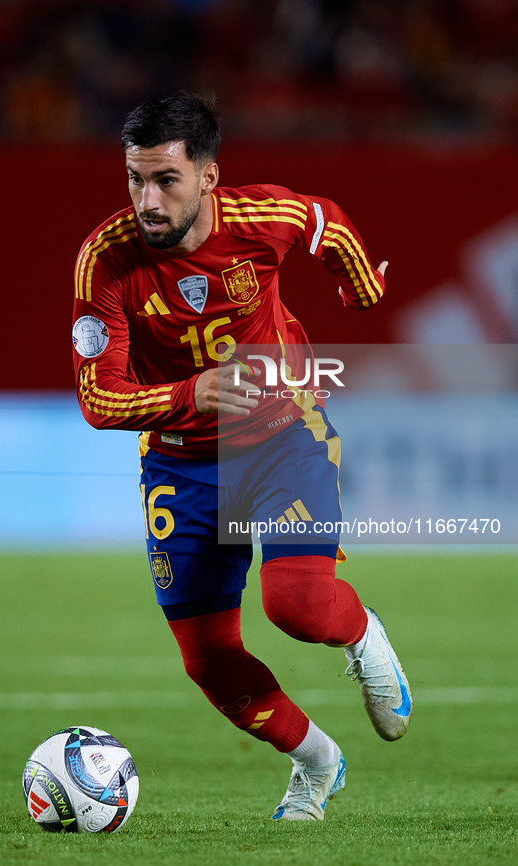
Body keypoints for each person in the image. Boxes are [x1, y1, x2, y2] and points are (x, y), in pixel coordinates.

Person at [72, 91, 412, 821]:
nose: (146, 199)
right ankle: (318, 764)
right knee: (208, 660)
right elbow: (99, 399)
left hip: (281, 435)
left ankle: (360, 630)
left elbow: (324, 220)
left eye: (165, 179)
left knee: (294, 605)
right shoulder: (106, 261)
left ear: (208, 178)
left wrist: (361, 285)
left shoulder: (264, 220)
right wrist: (193, 392)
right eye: (134, 178)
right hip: (179, 462)